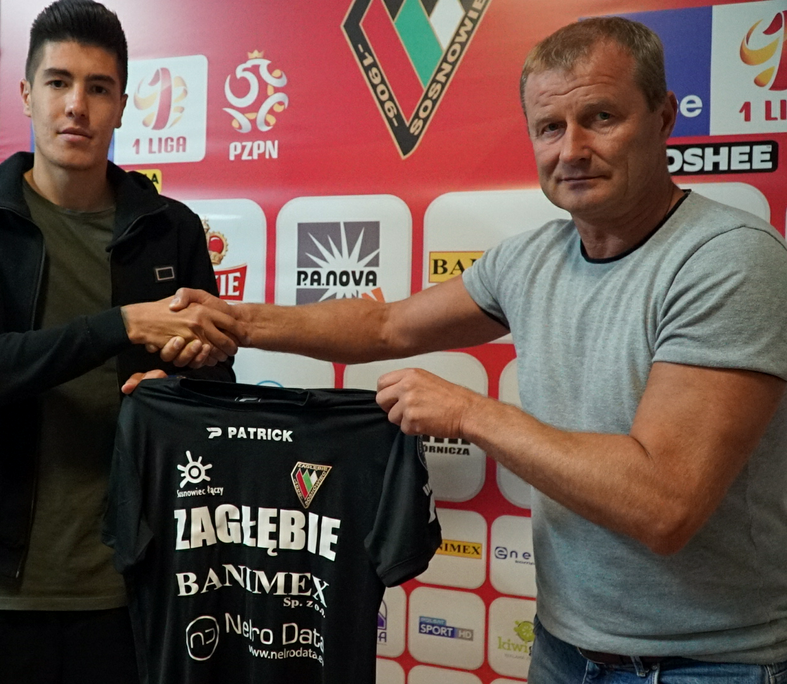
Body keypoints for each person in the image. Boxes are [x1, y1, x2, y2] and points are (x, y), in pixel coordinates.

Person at [162, 17, 787, 683]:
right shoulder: (531, 259)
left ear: (662, 119)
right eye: (550, 128)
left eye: (601, 117)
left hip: (709, 664)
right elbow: (386, 326)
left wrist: (470, 414)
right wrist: (232, 321)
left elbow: (664, 505)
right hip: (564, 649)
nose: (572, 150)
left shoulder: (728, 260)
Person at [0, 1, 236, 681]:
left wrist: (179, 393)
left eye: (98, 88)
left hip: (125, 583)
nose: (77, 106)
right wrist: (122, 324)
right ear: (26, 94)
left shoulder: (170, 228)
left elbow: (216, 384)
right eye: (59, 82)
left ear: (122, 105)